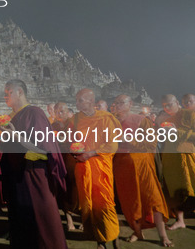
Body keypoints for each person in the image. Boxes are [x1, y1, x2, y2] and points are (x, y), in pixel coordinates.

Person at [0, 80, 67, 248]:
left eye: (9, 92)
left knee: (42, 221)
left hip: (34, 174)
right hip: (17, 175)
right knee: (22, 221)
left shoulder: (34, 113)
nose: (5, 96)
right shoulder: (13, 117)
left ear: (20, 92)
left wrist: (17, 138)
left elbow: (45, 150)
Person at [110, 95, 172, 246]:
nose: (118, 106)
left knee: (153, 198)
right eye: (116, 103)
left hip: (142, 165)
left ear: (130, 104)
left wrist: (131, 140)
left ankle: (163, 235)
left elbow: (151, 143)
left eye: (121, 103)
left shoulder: (140, 120)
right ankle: (137, 232)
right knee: (130, 203)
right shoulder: (110, 122)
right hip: (122, 166)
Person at [73, 88, 120, 249]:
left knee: (104, 202)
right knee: (88, 203)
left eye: (81, 100)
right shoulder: (76, 119)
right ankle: (99, 240)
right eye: (77, 100)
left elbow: (112, 145)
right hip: (83, 168)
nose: (77, 103)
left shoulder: (106, 118)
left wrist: (91, 153)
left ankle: (112, 236)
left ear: (91, 102)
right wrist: (75, 152)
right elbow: (72, 140)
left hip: (101, 167)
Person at [158, 94, 195, 231]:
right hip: (171, 160)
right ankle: (180, 221)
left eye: (169, 105)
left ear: (177, 102)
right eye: (164, 106)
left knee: (191, 188)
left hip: (187, 158)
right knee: (174, 192)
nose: (167, 108)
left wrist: (176, 131)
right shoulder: (168, 120)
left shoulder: (189, 114)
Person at [53, 101, 81, 231]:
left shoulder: (74, 124)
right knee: (64, 188)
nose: (59, 114)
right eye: (57, 111)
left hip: (73, 158)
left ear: (68, 112)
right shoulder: (53, 126)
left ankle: (83, 219)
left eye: (62, 111)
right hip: (60, 159)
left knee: (78, 188)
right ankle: (69, 220)